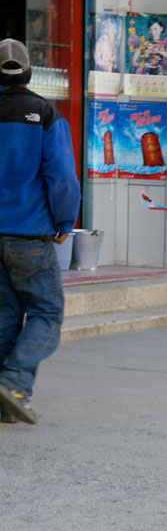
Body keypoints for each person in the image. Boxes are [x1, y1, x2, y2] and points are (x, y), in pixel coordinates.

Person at [0, 38, 80, 425]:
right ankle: (13, 384)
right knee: (48, 313)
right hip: (28, 236)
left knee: (4, 317)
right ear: (29, 73)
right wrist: (65, 222)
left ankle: (5, 402)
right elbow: (62, 177)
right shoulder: (46, 115)